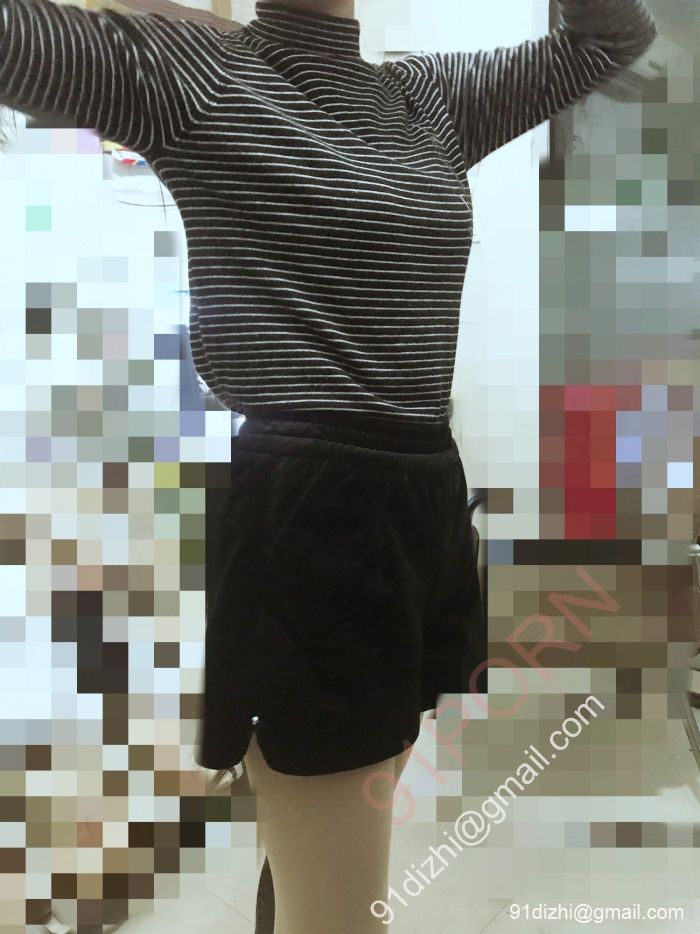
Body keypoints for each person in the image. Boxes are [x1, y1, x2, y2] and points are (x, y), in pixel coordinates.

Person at [1, 0, 658, 930]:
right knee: (342, 906)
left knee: (333, 840)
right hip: (313, 513)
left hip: (420, 494)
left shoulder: (429, 99)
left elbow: (613, 37)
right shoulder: (195, 73)